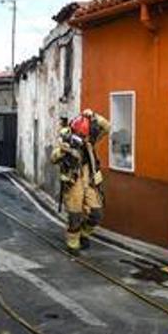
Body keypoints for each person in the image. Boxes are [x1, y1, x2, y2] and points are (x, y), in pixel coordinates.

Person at [50, 109, 110, 255]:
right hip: (74, 182)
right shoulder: (66, 139)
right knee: (75, 216)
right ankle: (73, 243)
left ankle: (84, 234)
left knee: (96, 214)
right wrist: (64, 151)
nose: (83, 139)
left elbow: (107, 127)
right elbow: (53, 158)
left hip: (89, 180)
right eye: (81, 136)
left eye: (85, 136)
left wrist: (94, 116)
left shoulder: (90, 139)